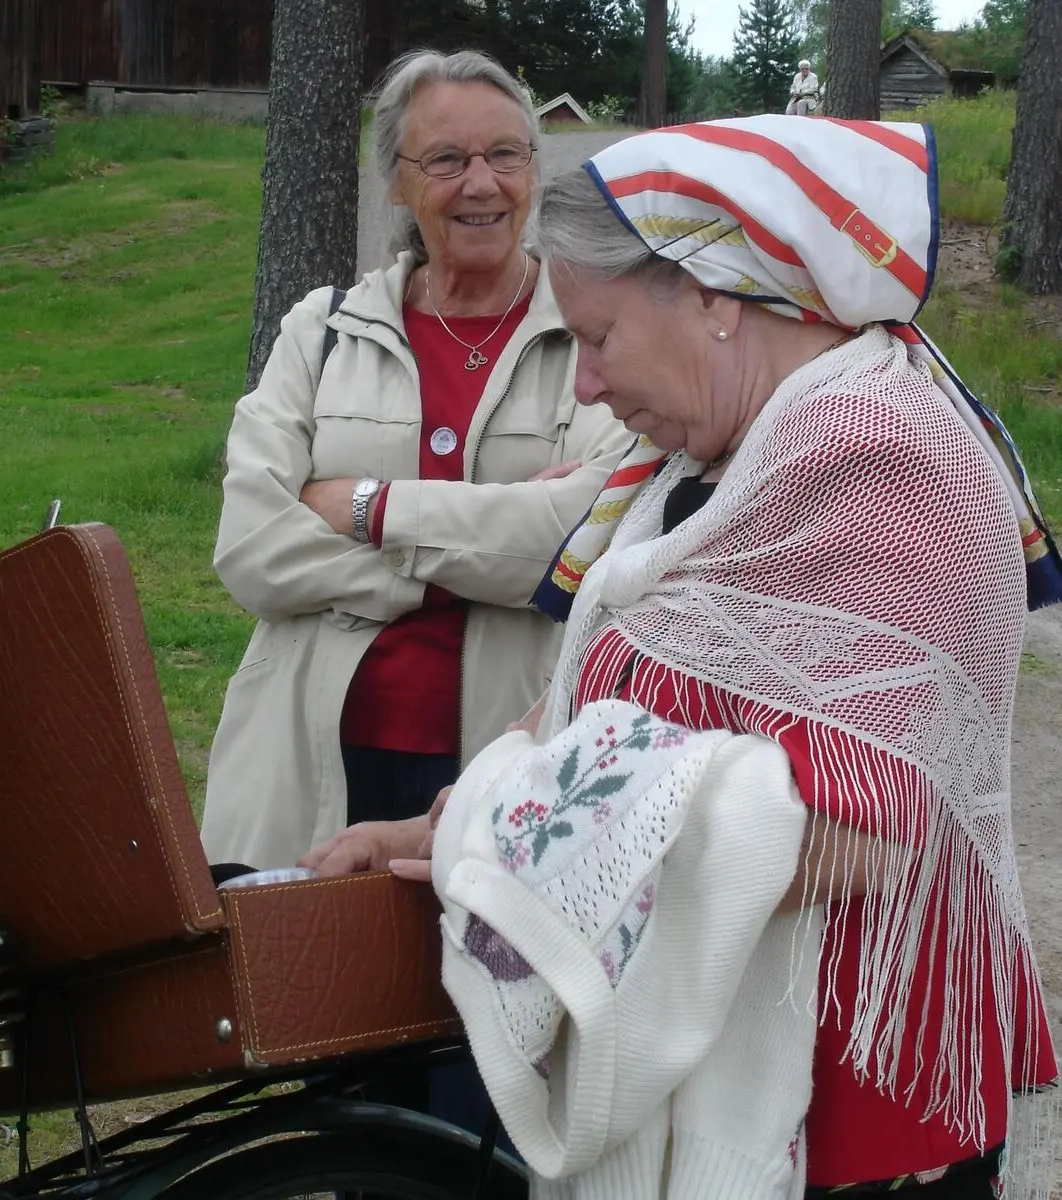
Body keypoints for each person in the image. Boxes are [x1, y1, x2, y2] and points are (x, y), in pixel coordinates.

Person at [309, 116, 1062, 1198]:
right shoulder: (688, 478)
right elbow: (579, 726)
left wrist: (513, 868)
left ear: (713, 296)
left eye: (598, 337)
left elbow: (862, 845)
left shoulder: (887, 461)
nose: (585, 388)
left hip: (855, 1096)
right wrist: (430, 831)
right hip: (739, 1058)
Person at [199, 49, 629, 872]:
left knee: (476, 995)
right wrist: (466, 566)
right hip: (304, 755)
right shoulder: (320, 334)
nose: (482, 183)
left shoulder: (592, 337)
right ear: (396, 180)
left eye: (506, 154)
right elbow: (250, 548)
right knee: (302, 988)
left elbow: (583, 541)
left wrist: (365, 509)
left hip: (510, 757)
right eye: (446, 159)